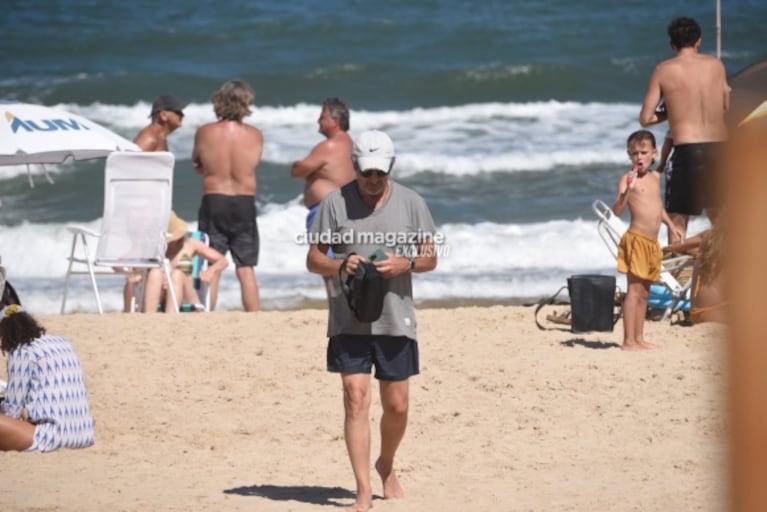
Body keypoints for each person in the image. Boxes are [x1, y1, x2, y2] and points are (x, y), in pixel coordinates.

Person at [306, 130, 438, 511]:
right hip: (349, 320)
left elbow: (430, 259)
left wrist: (405, 263)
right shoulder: (334, 204)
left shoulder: (412, 203)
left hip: (396, 318)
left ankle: (386, 463)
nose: (373, 180)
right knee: (354, 398)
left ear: (391, 167)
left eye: (380, 172)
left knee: (396, 406)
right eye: (366, 173)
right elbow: (314, 260)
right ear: (355, 167)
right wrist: (338, 263)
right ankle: (363, 490)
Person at [639, 16, 729, 239]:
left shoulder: (664, 69)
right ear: (698, 41)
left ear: (672, 45)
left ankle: (678, 273)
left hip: (689, 151)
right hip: (720, 147)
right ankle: (727, 271)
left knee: (677, 220)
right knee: (722, 220)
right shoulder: (716, 65)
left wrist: (669, 112)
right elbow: (726, 106)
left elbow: (646, 118)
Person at [0, 267, 95, 452]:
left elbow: (11, 411)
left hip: (51, 437)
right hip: (83, 433)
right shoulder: (62, 341)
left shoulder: (21, 351)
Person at [192, 80, 263, 312]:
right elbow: (252, 164)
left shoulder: (204, 132)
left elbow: (197, 163)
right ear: (245, 104)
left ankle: (208, 314)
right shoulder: (255, 135)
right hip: (244, 202)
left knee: (214, 261)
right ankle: (254, 317)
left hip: (215, 200)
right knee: (246, 267)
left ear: (219, 102)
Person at [613, 130, 682, 350]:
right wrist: (626, 193)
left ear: (654, 154)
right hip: (636, 240)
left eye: (643, 152)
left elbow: (657, 208)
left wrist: (671, 225)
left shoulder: (654, 177)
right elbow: (617, 211)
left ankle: (639, 338)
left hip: (653, 243)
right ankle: (628, 341)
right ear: (629, 155)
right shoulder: (627, 179)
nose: (639, 157)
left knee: (645, 292)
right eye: (634, 154)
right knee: (634, 291)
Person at [123, 94, 188, 312]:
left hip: (153, 209)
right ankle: (141, 312)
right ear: (163, 115)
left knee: (163, 252)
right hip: (142, 210)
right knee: (145, 262)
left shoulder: (161, 138)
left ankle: (150, 306)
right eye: (178, 112)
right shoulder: (148, 139)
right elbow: (127, 174)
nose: (182, 116)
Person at [291, 97, 356, 295]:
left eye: (322, 117)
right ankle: (347, 304)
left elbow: (298, 170)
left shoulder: (329, 145)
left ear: (335, 121)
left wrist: (298, 165)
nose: (318, 121)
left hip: (326, 211)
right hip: (346, 209)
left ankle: (338, 307)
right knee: (342, 262)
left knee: (325, 264)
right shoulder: (349, 143)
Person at [142, 212, 228, 313]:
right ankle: (149, 316)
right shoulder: (153, 249)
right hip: (160, 296)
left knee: (177, 274)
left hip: (186, 296)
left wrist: (210, 270)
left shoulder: (190, 244)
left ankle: (171, 316)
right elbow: (135, 267)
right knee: (155, 273)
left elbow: (222, 261)